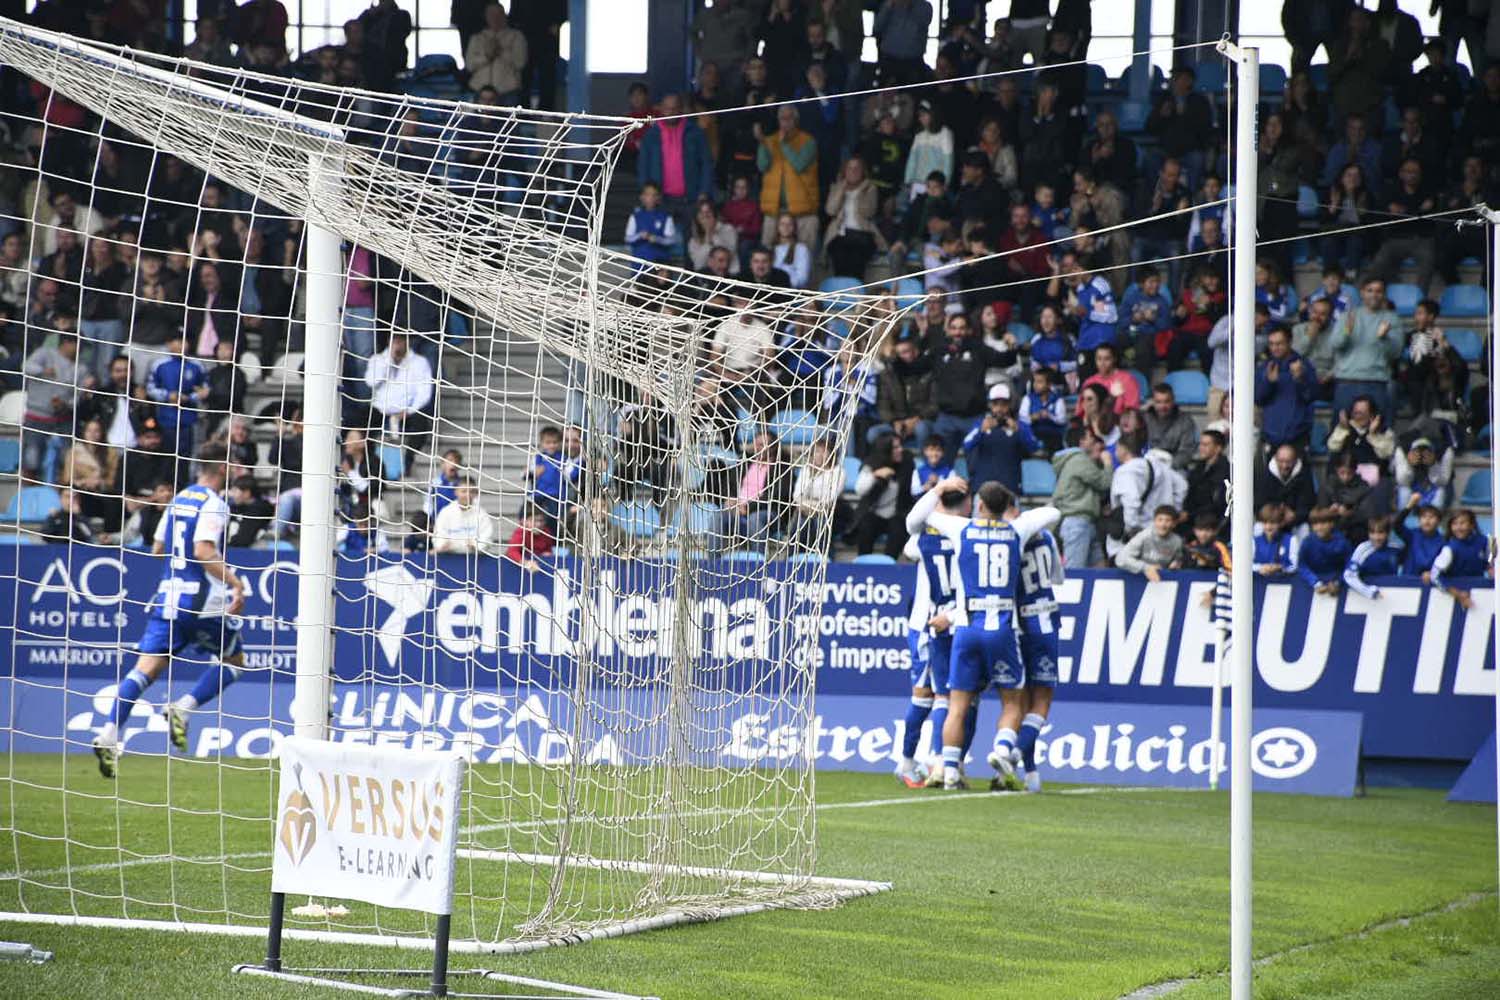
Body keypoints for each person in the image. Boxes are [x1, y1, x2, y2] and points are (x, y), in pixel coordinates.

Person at [93, 441, 246, 779]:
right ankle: (183, 707)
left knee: (143, 670)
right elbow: (204, 551)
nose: (235, 468)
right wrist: (235, 584)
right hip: (202, 603)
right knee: (235, 661)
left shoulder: (177, 499)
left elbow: (157, 548)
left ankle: (109, 734)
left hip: (168, 598)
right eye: (232, 463)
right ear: (221, 467)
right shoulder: (214, 503)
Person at [906, 477, 1061, 790]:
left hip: (966, 626)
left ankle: (949, 771)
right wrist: (1017, 518)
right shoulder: (1017, 530)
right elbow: (1053, 513)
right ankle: (1004, 750)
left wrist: (937, 490)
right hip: (1003, 628)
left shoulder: (961, 528)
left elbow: (914, 520)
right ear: (1006, 509)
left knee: (955, 702)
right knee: (1013, 702)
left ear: (978, 505)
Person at [895, 482, 967, 789]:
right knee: (934, 694)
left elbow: (912, 524)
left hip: (927, 622)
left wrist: (936, 490)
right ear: (966, 504)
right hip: (942, 623)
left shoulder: (923, 537)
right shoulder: (968, 532)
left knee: (935, 695)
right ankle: (922, 760)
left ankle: (923, 760)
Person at [1004, 511, 1064, 793]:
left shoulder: (1008, 541)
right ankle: (1015, 756)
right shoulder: (1048, 538)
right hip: (1044, 620)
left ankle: (1030, 773)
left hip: (1017, 623)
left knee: (1021, 702)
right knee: (1041, 701)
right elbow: (1057, 578)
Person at [1330, 278, 1401, 424]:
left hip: (1376, 383)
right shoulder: (1347, 316)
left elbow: (1396, 352)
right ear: (1362, 293)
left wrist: (1384, 337)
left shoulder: (1392, 319)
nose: (1374, 295)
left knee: (1377, 436)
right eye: (1370, 290)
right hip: (1347, 382)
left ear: (1384, 295)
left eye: (1378, 291)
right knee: (1340, 435)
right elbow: (1335, 344)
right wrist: (1346, 332)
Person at [364, 331, 435, 478]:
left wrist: (408, 410)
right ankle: (370, 464)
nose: (398, 344)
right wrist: (388, 361)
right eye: (394, 340)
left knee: (421, 424)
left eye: (401, 340)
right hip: (381, 410)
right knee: (361, 421)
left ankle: (407, 462)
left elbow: (425, 392)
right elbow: (371, 381)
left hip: (406, 412)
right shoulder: (377, 359)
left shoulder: (420, 362)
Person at [21, 331, 85, 483]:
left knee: (66, 459)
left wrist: (66, 404)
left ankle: (60, 494)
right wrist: (43, 371)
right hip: (37, 417)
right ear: (67, 342)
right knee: (32, 459)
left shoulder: (82, 368)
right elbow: (25, 366)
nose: (81, 348)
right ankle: (28, 493)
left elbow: (79, 397)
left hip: (64, 420)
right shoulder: (45, 354)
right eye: (78, 343)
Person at [757, 105, 820, 250]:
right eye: (782, 119)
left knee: (804, 256)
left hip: (803, 212)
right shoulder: (770, 140)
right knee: (768, 255)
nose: (785, 122)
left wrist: (784, 144)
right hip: (774, 210)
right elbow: (762, 166)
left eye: (789, 118)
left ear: (796, 120)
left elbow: (799, 165)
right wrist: (762, 144)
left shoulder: (808, 141)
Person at [1051, 430, 1113, 569]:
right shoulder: (1079, 459)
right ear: (1082, 442)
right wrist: (1108, 463)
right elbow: (1104, 483)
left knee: (1099, 570)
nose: (1097, 443)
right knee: (1075, 572)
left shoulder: (1079, 460)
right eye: (1092, 439)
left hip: (1086, 522)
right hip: (1077, 523)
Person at [962, 382, 1039, 495]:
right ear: (990, 405)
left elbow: (1034, 447)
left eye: (1004, 404)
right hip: (983, 488)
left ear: (1009, 405)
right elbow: (966, 445)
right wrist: (980, 431)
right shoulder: (980, 424)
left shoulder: (1019, 425)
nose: (999, 408)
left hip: (1010, 487)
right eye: (995, 404)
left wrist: (1019, 431)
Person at [848, 432, 912, 558]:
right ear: (886, 450)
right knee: (866, 524)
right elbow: (860, 490)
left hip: (896, 514)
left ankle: (889, 564)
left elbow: (912, 490)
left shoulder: (907, 464)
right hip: (875, 513)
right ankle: (863, 561)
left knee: (899, 527)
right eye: (895, 448)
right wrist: (875, 475)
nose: (900, 450)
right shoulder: (871, 464)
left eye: (900, 446)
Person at [1255, 327, 1319, 452]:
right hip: (1271, 437)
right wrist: (1269, 382)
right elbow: (1258, 399)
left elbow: (1311, 396)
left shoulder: (1303, 365)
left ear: (1289, 342)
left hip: (1297, 437)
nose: (1274, 348)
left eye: (1279, 344)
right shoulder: (1265, 367)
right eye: (1271, 344)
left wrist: (1299, 379)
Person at [789, 437, 846, 550]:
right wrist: (812, 474)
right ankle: (792, 557)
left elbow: (830, 498)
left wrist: (811, 506)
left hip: (829, 512)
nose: (820, 455)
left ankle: (823, 557)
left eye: (824, 452)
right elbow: (797, 495)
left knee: (820, 522)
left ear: (831, 454)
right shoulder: (806, 469)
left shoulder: (838, 472)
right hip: (805, 510)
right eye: (817, 452)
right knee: (799, 523)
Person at [465, 3, 528, 104]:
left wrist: (501, 52)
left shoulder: (517, 36)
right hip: (480, 91)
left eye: (499, 14)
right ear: (486, 17)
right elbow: (469, 65)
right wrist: (486, 56)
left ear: (504, 16)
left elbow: (520, 63)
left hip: (508, 91)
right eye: (491, 14)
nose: (495, 18)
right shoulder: (477, 38)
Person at [1431, 509, 1490, 611]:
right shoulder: (1449, 549)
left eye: (1462, 523)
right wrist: (1458, 594)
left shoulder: (1484, 542)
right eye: (1454, 524)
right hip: (1453, 599)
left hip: (1481, 595)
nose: (1458, 528)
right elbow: (1435, 576)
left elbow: (1488, 564)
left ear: (1471, 525)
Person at [1115, 505, 1185, 582]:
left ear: (1174, 523)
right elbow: (1120, 559)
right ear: (1154, 521)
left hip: (1162, 582)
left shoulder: (1177, 541)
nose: (1163, 525)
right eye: (1160, 520)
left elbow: (1178, 559)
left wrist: (1176, 563)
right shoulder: (1144, 536)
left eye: (1167, 521)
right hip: (1138, 579)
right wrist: (1146, 568)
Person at [1317, 452, 1374, 544]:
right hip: (1331, 527)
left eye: (1349, 473)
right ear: (1336, 470)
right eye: (1342, 473)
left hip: (1356, 530)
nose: (1345, 477)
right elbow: (1320, 512)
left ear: (1355, 471)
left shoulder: (1364, 488)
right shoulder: (1326, 486)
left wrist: (1350, 514)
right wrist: (1329, 511)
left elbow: (1367, 514)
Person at [432, 478, 497, 555]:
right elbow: (438, 536)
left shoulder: (481, 514)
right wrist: (442, 545)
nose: (468, 495)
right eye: (464, 491)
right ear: (456, 492)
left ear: (476, 494)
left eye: (471, 492)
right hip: (450, 557)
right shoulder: (446, 512)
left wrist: (476, 546)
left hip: (475, 559)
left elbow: (487, 538)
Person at [1343, 516, 1402, 600]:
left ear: (1388, 533)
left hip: (1392, 597)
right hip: (1367, 599)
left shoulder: (1395, 548)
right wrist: (1368, 591)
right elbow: (1349, 576)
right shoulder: (1362, 550)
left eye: (1380, 532)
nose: (1376, 537)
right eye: (1372, 533)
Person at [1298, 507, 1354, 596]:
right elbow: (1302, 565)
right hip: (1315, 583)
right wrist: (1315, 582)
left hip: (1337, 583)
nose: (1319, 527)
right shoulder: (1307, 542)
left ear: (1331, 524)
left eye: (1323, 523)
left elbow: (1350, 564)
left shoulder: (1342, 542)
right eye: (1315, 524)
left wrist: (1338, 582)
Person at [1143, 384, 1198, 471]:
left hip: (1174, 468)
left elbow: (1187, 451)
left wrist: (1168, 466)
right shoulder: (1144, 419)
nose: (1163, 406)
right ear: (1153, 401)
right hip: (1148, 466)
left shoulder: (1185, 420)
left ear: (1173, 400)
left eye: (1166, 401)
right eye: (1158, 402)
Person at [1182, 429, 1229, 526]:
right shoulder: (1198, 467)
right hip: (1192, 517)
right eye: (1200, 444)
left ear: (1218, 448)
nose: (1201, 448)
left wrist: (1189, 514)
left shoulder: (1225, 471)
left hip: (1211, 522)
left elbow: (1218, 503)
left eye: (1205, 445)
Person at [625, 182, 678, 265]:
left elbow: (671, 240)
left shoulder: (666, 216)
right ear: (641, 197)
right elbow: (628, 238)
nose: (651, 198)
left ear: (658, 197)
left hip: (660, 264)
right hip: (640, 264)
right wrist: (640, 235)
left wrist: (657, 239)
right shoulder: (635, 216)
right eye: (647, 194)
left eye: (654, 195)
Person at [1018, 368, 1068, 455]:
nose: (1035, 385)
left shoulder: (1058, 400)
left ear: (1049, 384)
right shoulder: (1028, 399)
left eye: (1039, 382)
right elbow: (1022, 419)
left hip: (1053, 438)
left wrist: (1049, 416)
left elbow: (1062, 420)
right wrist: (1034, 417)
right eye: (1035, 381)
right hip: (1033, 435)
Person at [226, 475, 274, 549]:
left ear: (246, 493)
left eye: (235, 490)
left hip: (253, 550)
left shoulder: (258, 510)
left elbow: (244, 539)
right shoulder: (235, 507)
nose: (232, 494)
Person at [1399, 503, 1445, 581]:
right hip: (1407, 582)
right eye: (1424, 517)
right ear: (1419, 520)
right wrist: (1409, 506)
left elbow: (1444, 565)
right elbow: (1397, 525)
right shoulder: (1412, 535)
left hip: (1430, 583)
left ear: (1438, 521)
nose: (1427, 520)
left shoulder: (1443, 542)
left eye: (1431, 517)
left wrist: (1432, 573)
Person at [1253, 502, 1298, 577]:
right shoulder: (1254, 541)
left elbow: (1295, 566)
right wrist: (1261, 568)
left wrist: (1280, 568)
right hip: (1259, 583)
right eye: (1265, 522)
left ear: (1281, 523)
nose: (1268, 527)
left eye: (1272, 523)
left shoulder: (1291, 540)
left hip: (1284, 583)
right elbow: (1246, 565)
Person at [504, 504, 554, 569]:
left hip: (538, 566)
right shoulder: (521, 532)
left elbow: (548, 550)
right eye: (535, 520)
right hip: (518, 567)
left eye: (541, 521)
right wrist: (525, 562)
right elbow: (512, 552)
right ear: (524, 521)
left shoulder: (546, 532)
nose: (539, 524)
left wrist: (547, 554)